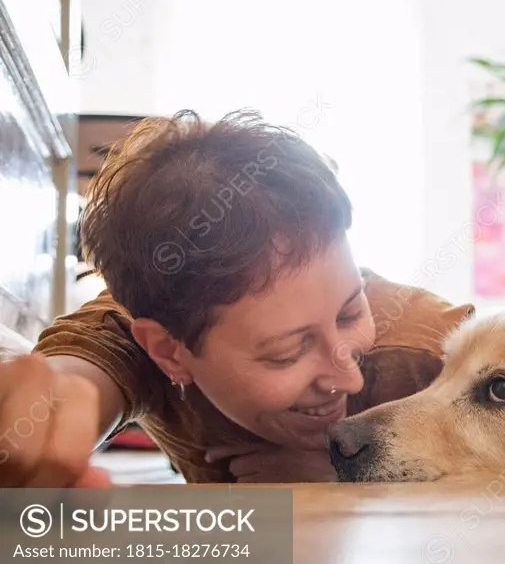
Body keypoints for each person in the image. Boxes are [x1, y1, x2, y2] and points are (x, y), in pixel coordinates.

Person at [0, 110, 474, 487]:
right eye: (288, 352)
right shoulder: (149, 322)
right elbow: (74, 379)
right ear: (169, 352)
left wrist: (346, 483)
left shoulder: (432, 353)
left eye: (352, 310)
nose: (346, 375)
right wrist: (36, 421)